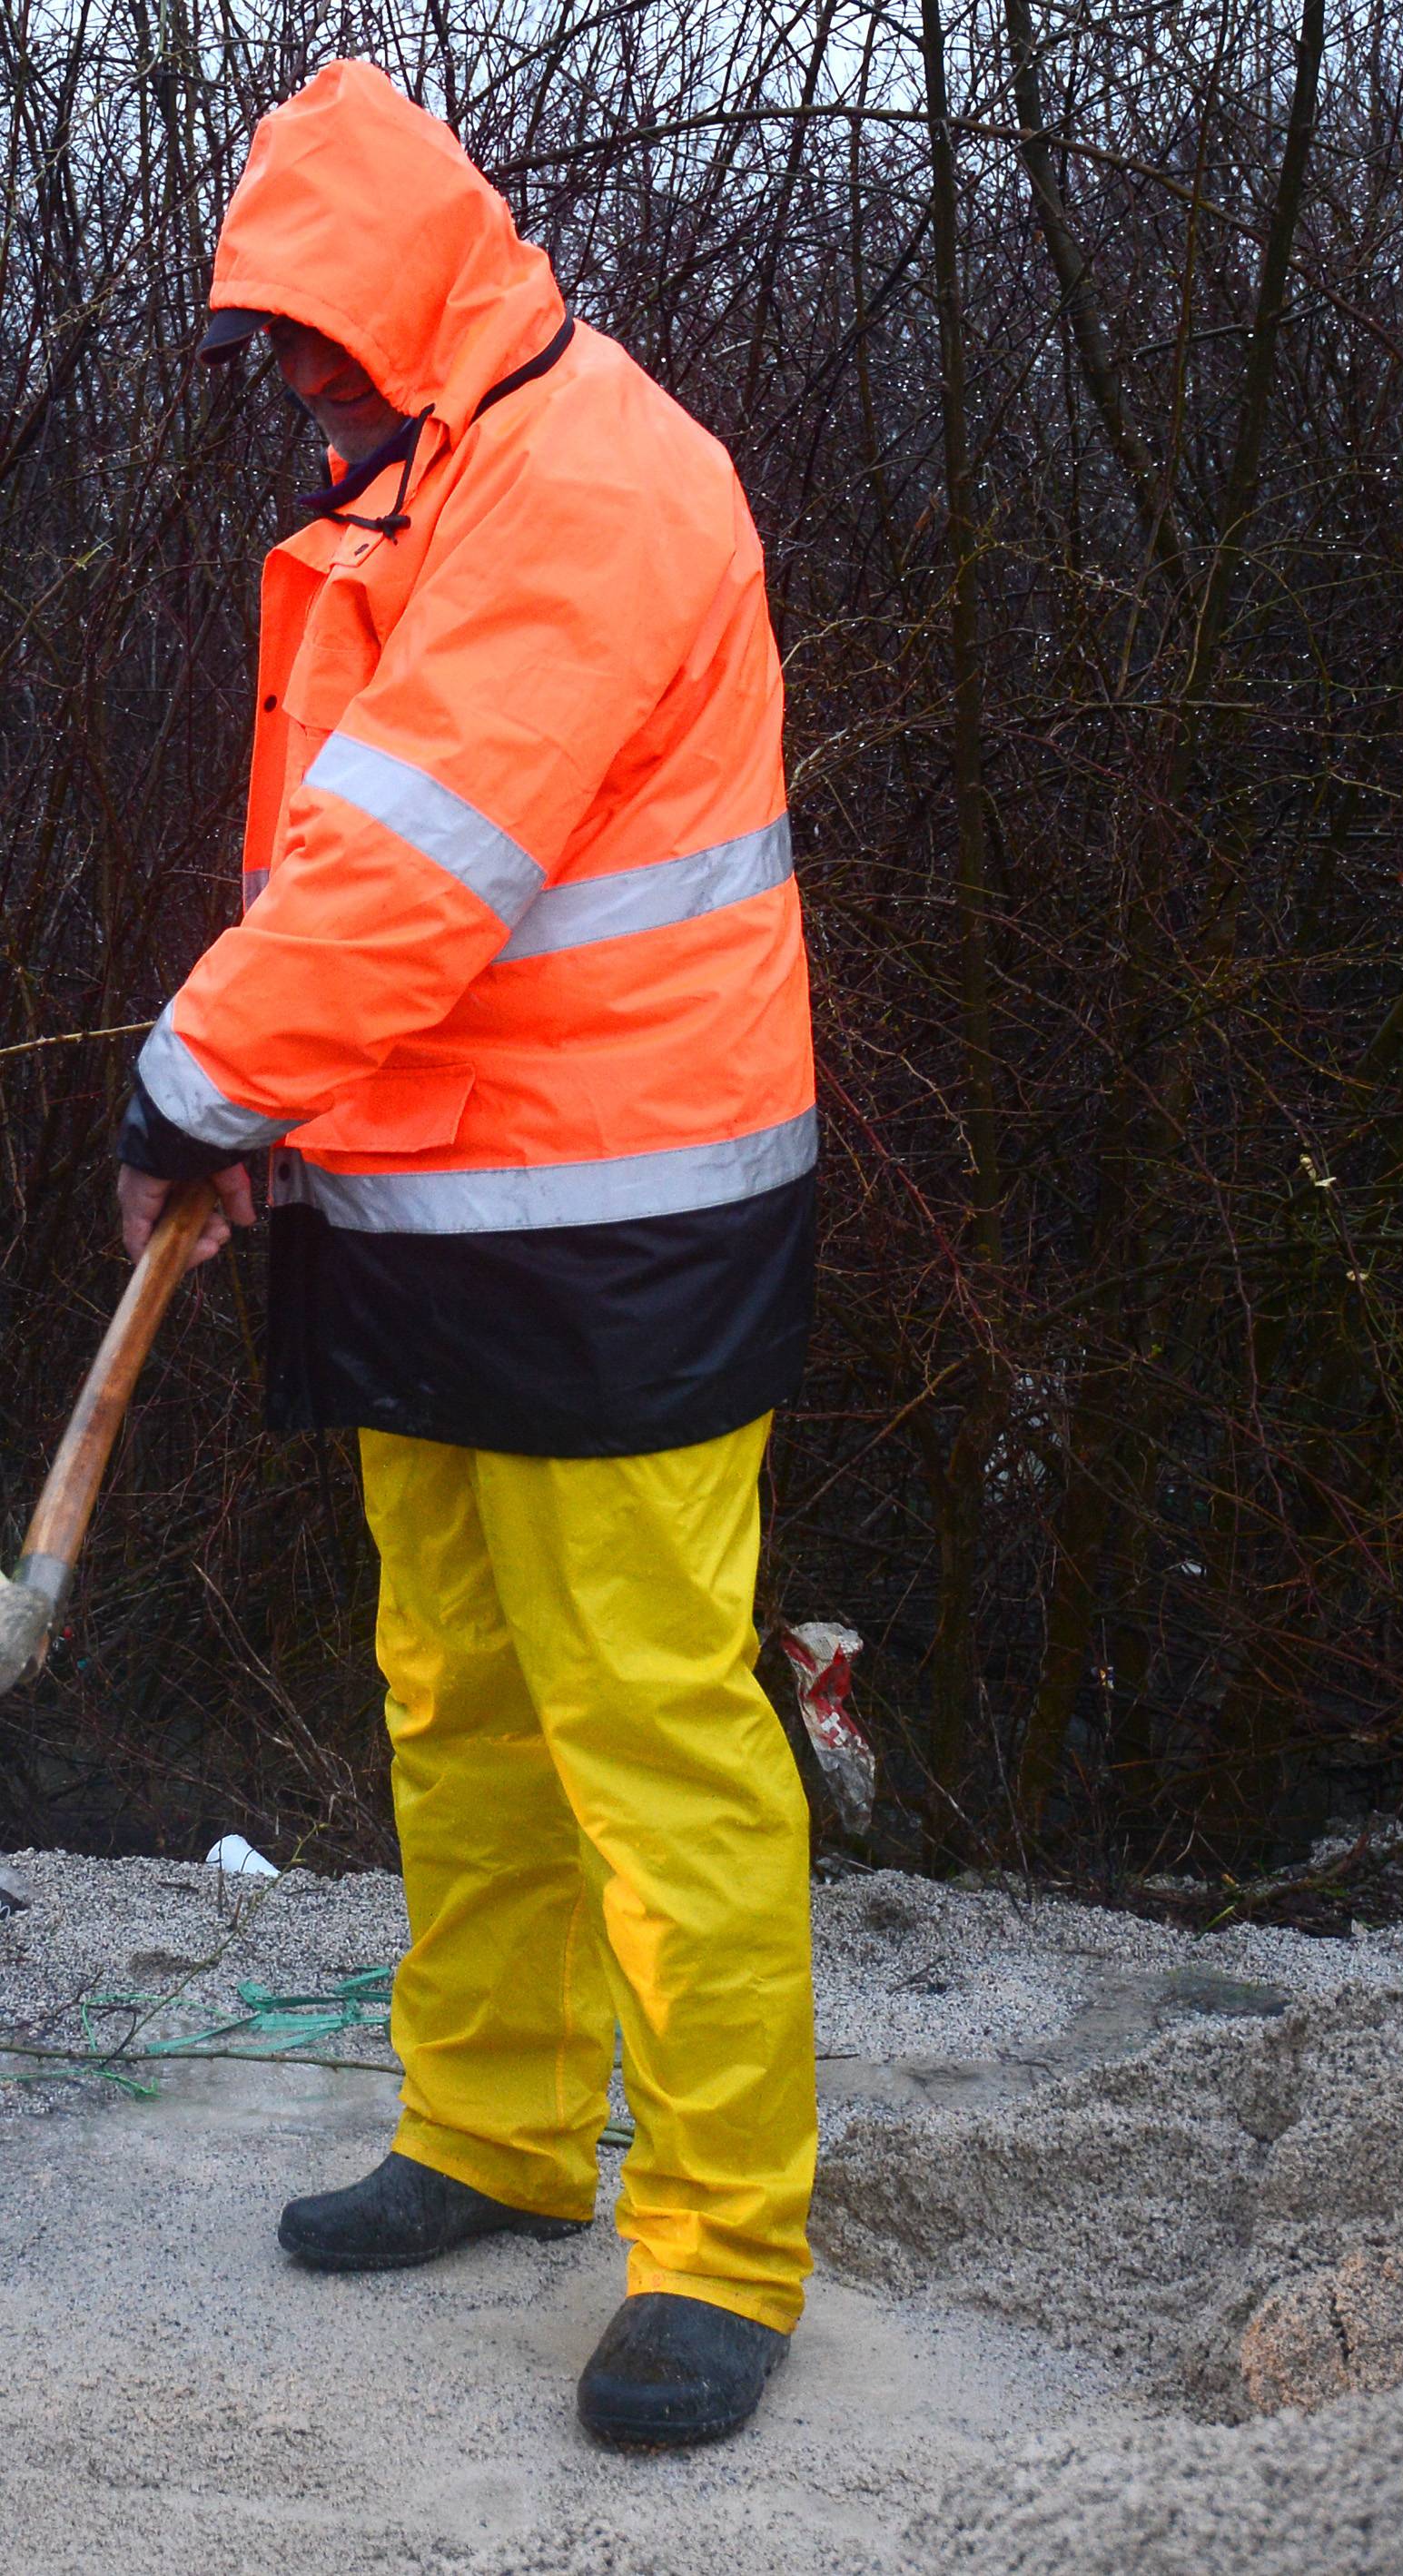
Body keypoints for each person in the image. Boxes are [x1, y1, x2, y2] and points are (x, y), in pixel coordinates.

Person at [115, 58, 818, 2451]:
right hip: (421, 1219)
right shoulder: (406, 487)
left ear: (406, 296)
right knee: (461, 1705)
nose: (289, 381)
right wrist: (271, 1115)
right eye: (269, 345)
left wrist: (197, 1087)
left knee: (652, 1731)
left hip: (628, 1234)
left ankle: (723, 2245)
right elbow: (337, 890)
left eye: (311, 334)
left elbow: (419, 864)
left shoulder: (594, 483)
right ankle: (499, 2136)